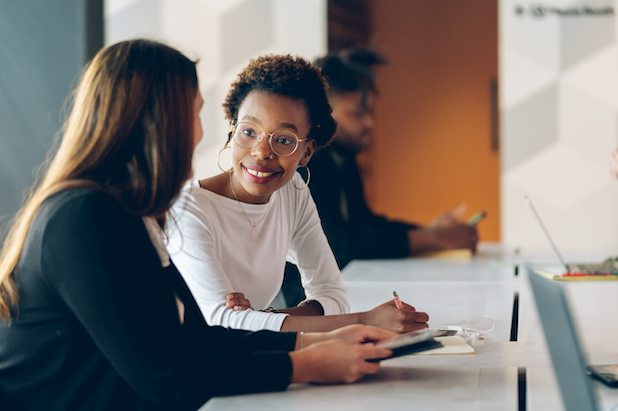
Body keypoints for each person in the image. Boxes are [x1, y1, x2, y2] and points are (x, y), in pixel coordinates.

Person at [0, 40, 399, 411]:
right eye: (194, 112)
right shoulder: (84, 217)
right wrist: (305, 365)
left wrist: (314, 339)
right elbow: (170, 378)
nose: (201, 131)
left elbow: (198, 334)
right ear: (161, 122)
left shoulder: (128, 211)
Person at [166, 54, 429, 334]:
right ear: (232, 133)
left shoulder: (292, 192)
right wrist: (361, 321)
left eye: (283, 140)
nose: (261, 152)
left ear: (307, 153)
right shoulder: (189, 209)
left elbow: (333, 295)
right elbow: (221, 323)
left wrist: (261, 317)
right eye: (248, 131)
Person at [281, 46, 479, 306]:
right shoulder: (308, 164)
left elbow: (365, 223)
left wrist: (431, 231)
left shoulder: (344, 160)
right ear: (323, 116)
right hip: (307, 303)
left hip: (348, 286)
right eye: (358, 113)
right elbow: (337, 243)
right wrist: (431, 237)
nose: (369, 123)